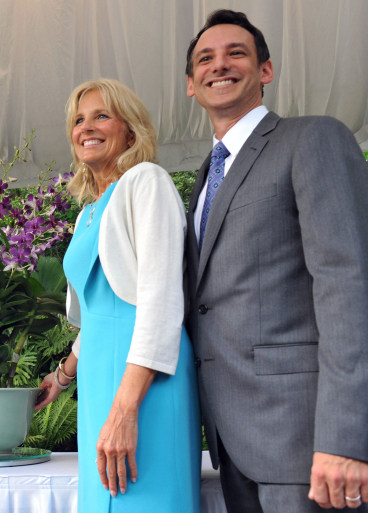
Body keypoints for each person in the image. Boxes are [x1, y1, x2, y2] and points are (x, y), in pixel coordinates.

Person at [185, 9, 368, 513]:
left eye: (235, 53)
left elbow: (348, 287)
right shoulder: (203, 180)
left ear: (265, 71)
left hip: (307, 445)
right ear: (190, 84)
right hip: (232, 445)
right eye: (206, 58)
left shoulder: (313, 139)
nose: (219, 66)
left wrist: (345, 438)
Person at [35, 79, 201, 512]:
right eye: (78, 120)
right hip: (97, 381)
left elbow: (162, 301)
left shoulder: (148, 182)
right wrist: (62, 377)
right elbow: (95, 314)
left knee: (144, 498)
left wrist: (125, 409)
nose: (86, 127)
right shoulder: (88, 212)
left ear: (131, 130)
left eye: (101, 115)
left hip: (146, 378)